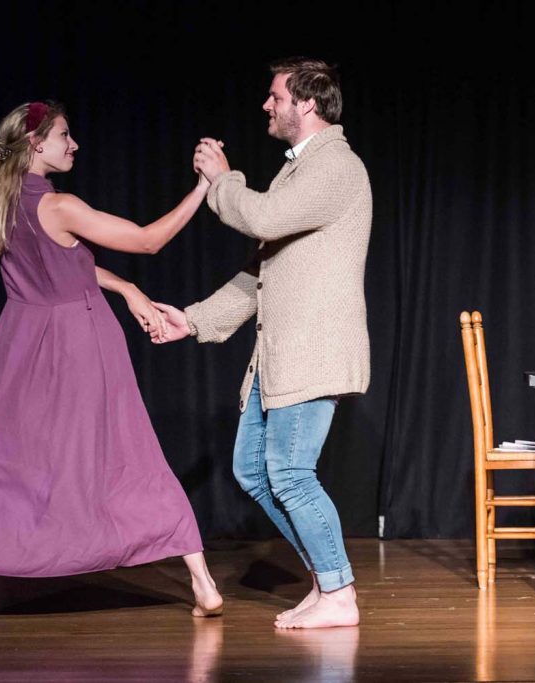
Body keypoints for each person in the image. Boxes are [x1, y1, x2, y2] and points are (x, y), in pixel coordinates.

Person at [0, 101, 223, 630]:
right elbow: (147, 240)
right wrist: (206, 187)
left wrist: (128, 288)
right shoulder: (59, 204)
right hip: (74, 344)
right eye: (65, 136)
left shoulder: (6, 201)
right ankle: (202, 581)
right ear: (35, 145)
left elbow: (72, 265)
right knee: (126, 451)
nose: (74, 145)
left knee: (9, 466)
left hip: (19, 344)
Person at [153, 57, 371, 629]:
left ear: (307, 103)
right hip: (280, 354)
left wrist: (224, 177)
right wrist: (194, 320)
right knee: (253, 469)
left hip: (312, 349)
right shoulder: (299, 171)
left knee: (292, 473)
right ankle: (328, 583)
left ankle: (339, 593)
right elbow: (260, 272)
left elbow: (264, 219)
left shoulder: (337, 166)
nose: (266, 105)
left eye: (276, 96)